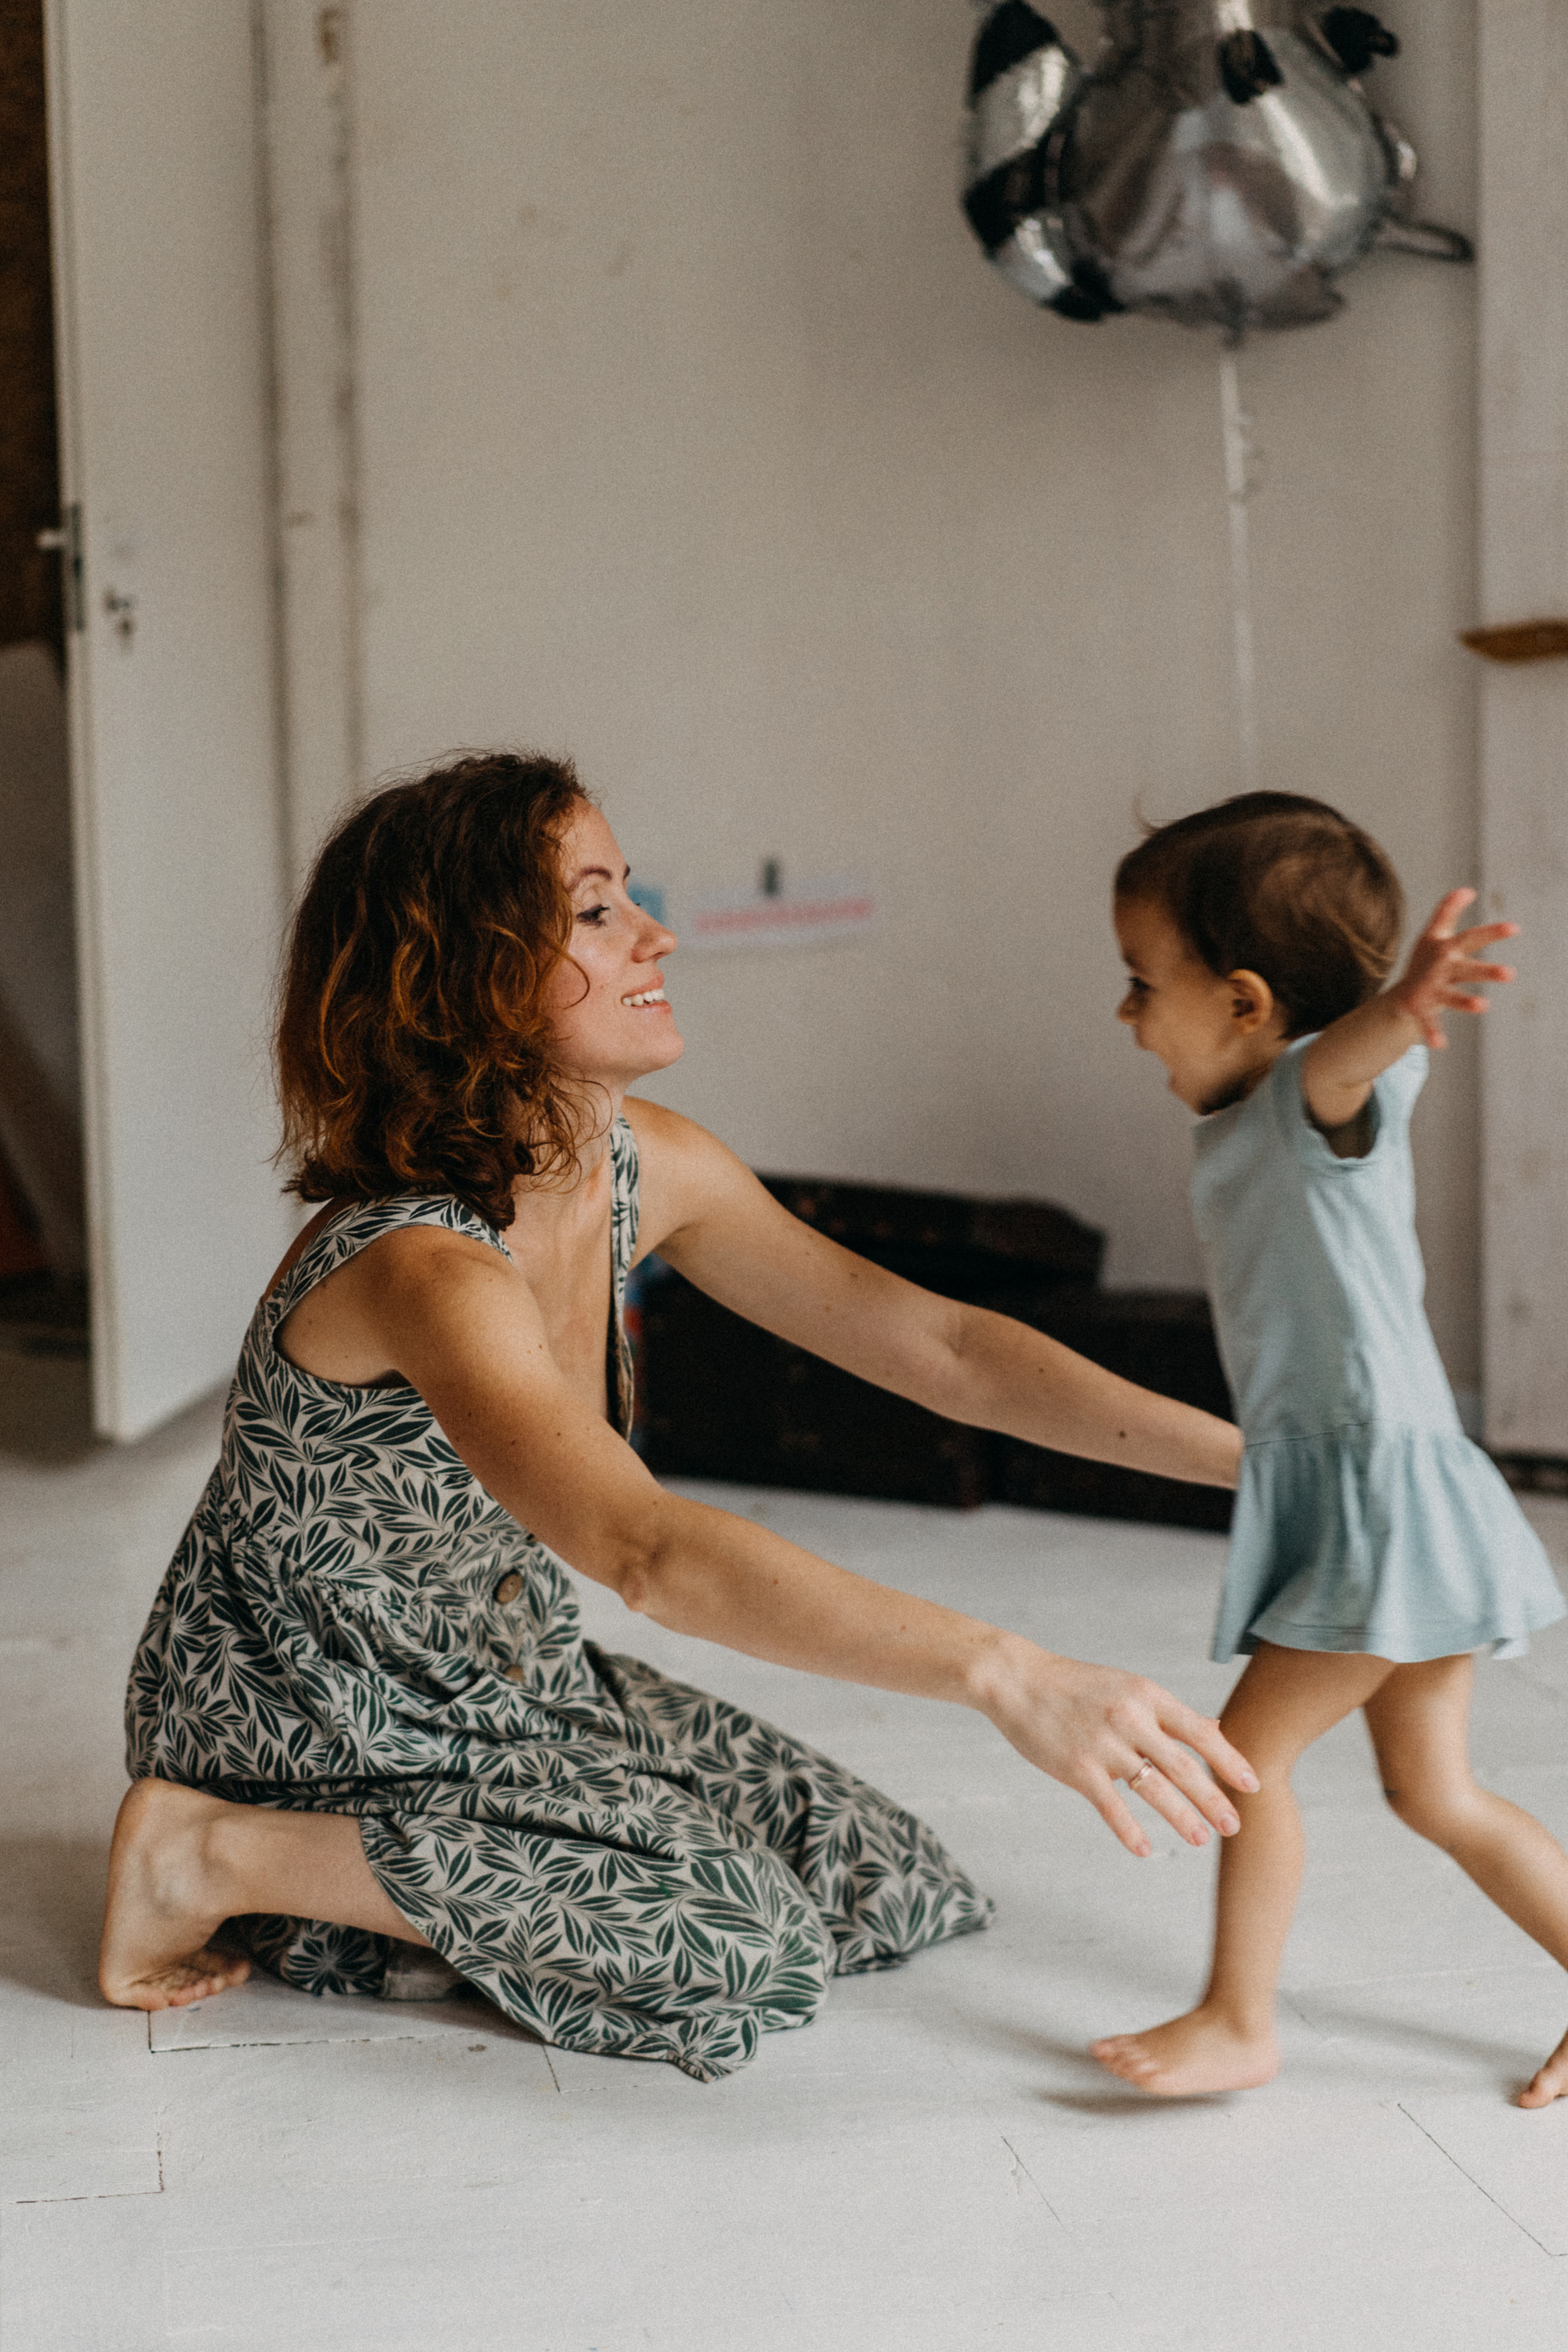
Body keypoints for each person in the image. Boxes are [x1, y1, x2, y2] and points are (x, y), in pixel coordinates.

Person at [101, 750, 1254, 2084]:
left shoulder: (647, 1160)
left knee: (883, 1884)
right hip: (320, 1726)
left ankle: (438, 1885)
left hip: (505, 1682)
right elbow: (645, 1552)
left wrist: (1249, 1465)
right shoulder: (420, 1267)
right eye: (595, 910)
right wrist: (1007, 1671)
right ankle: (211, 1852)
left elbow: (944, 1349)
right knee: (744, 1951)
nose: (655, 932)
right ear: (462, 971)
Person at [1092, 791, 1568, 2108]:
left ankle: (1237, 2018)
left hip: (1382, 1504)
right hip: (1375, 1497)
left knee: (1245, 1764)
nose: (1123, 1016)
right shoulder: (1248, 1124)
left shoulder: (1314, 1101)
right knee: (1434, 1793)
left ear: (1244, 1002)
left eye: (1141, 983)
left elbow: (1346, 1061)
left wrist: (1402, 1007)